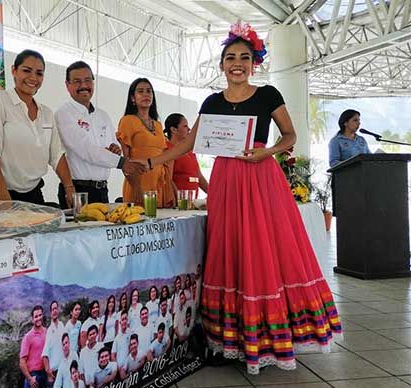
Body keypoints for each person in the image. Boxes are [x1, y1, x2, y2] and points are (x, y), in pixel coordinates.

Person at [145, 22, 342, 374]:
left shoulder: (268, 95)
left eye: (245, 57)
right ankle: (230, 339)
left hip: (261, 177)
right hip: (226, 181)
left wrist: (268, 153)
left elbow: (289, 136)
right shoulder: (211, 101)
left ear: (255, 63)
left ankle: (270, 338)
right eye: (230, 57)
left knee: (264, 249)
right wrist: (150, 161)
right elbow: (189, 143)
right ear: (222, 65)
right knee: (230, 248)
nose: (237, 63)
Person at [0, 49, 75, 206]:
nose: (33, 78)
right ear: (13, 70)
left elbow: (57, 154)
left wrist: (69, 187)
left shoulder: (47, 113)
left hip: (33, 193)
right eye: (26, 70)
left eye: (39, 73)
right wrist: (1, 190)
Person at [55, 61, 146, 207]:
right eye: (77, 81)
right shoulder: (64, 113)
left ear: (93, 82)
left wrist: (115, 150)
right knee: (82, 230)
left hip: (102, 189)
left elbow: (113, 145)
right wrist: (122, 162)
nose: (83, 86)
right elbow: (85, 150)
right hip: (78, 191)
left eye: (87, 80)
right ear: (67, 85)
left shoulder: (102, 115)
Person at [116, 78, 175, 207]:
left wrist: (172, 187)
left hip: (160, 183)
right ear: (133, 98)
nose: (146, 94)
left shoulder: (158, 125)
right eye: (140, 91)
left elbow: (164, 159)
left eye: (149, 91)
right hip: (138, 183)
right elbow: (126, 160)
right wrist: (136, 187)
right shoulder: (127, 121)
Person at [164, 113, 208, 196]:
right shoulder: (168, 149)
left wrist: (213, 195)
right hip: (179, 203)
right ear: (173, 129)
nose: (189, 129)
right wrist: (178, 199)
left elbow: (199, 177)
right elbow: (168, 179)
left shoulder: (190, 151)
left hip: (192, 201)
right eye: (185, 126)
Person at [20, 305, 48, 388]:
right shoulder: (28, 337)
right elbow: (22, 362)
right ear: (32, 320)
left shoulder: (47, 332)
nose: (38, 318)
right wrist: (30, 378)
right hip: (33, 376)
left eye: (40, 315)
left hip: (45, 374)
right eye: (36, 316)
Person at [42, 301, 65, 384]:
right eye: (52, 309)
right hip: (54, 372)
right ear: (50, 312)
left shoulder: (62, 326)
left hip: (63, 369)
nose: (54, 311)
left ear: (58, 310)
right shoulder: (49, 331)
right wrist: (48, 372)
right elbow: (45, 354)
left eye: (56, 308)